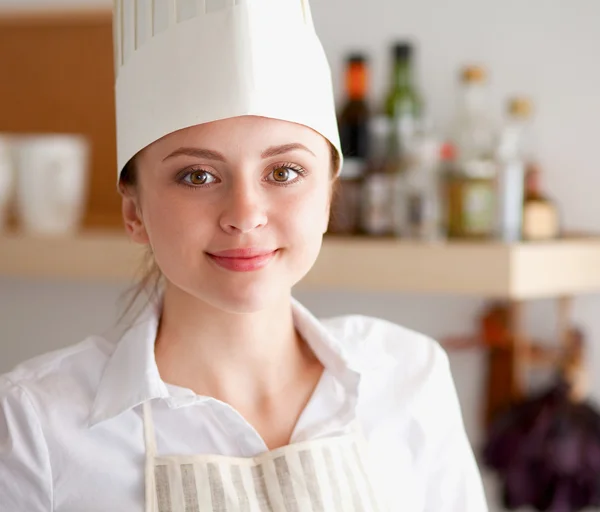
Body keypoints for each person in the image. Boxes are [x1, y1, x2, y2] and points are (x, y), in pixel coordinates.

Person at [0, 0, 488, 510]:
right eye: (198, 176)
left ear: (328, 194)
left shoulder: (408, 375)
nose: (244, 214)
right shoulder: (37, 422)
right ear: (135, 212)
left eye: (283, 172)